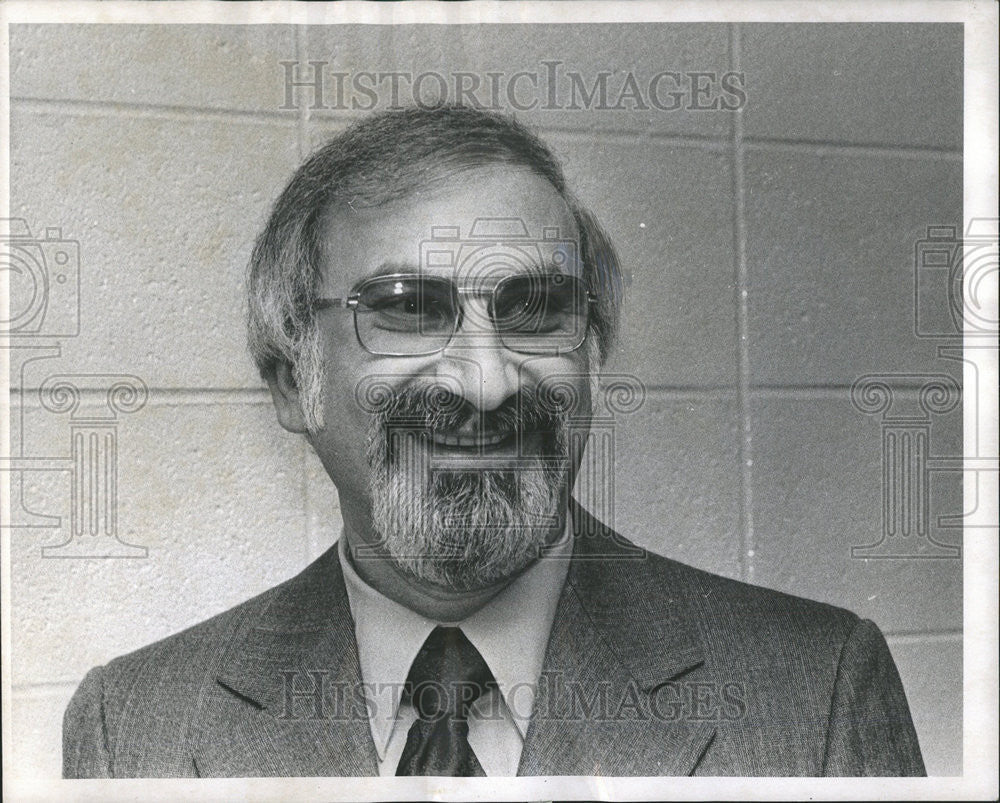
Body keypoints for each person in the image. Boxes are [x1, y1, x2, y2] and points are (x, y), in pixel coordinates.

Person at [63, 105, 925, 778]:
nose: (486, 381)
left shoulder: (816, 695)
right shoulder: (131, 725)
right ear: (292, 381)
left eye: (534, 309)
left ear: (591, 352)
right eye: (403, 308)